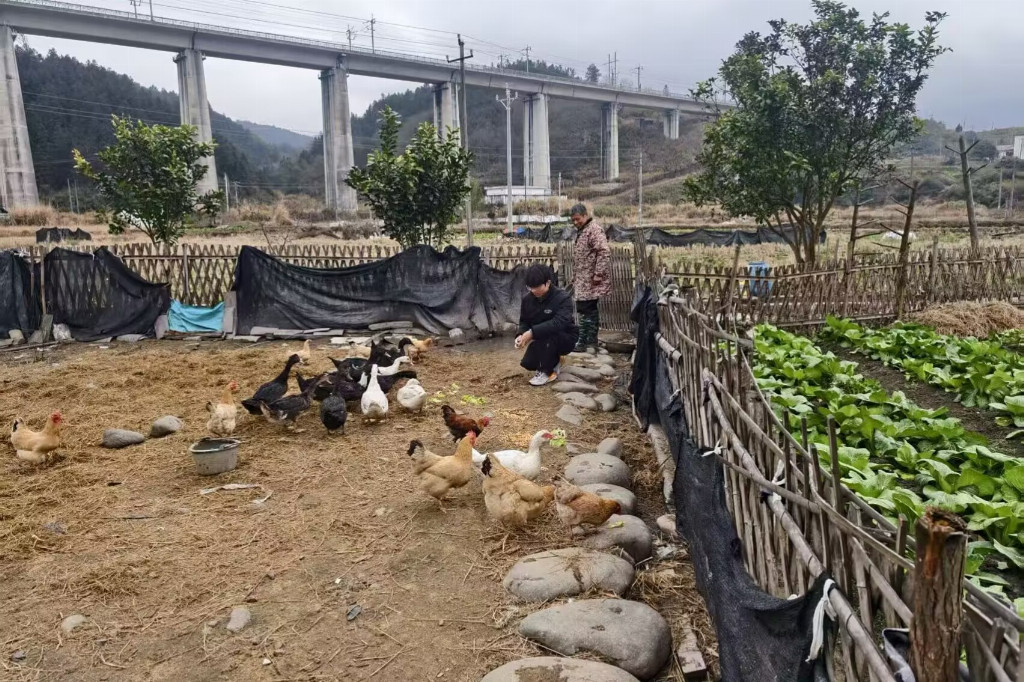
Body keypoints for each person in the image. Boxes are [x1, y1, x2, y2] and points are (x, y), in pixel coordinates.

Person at [515, 263, 579, 386]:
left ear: (548, 283)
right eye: (530, 287)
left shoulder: (563, 298)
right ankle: (556, 360)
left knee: (551, 336)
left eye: (537, 287)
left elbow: (559, 323)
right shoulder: (527, 300)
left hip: (565, 337)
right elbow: (524, 321)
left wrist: (532, 333)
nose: (534, 291)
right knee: (528, 363)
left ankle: (547, 372)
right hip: (542, 337)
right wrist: (520, 334)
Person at [569, 203, 611, 352]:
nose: (575, 222)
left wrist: (598, 274)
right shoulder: (583, 231)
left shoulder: (593, 230)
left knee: (586, 310)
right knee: (590, 310)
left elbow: (604, 252)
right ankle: (591, 341)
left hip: (591, 279)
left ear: (585, 216)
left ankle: (582, 343)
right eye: (573, 220)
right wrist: (575, 277)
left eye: (578, 219)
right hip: (583, 279)